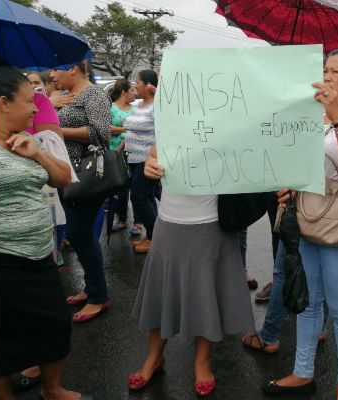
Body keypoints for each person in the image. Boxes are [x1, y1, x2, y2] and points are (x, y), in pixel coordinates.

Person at [261, 48, 338, 400]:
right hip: (306, 214)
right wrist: (290, 183)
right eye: (324, 69)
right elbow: (299, 162)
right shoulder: (310, 115)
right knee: (309, 302)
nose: (326, 76)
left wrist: (337, 119)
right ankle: (302, 372)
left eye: (336, 71)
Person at [0, 66, 90, 400]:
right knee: (1, 335)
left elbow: (64, 178)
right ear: (4, 103)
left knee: (55, 324)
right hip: (0, 259)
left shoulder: (31, 139)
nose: (37, 108)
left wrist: (37, 154)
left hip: (39, 253)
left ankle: (52, 390)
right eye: (28, 101)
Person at [128, 145, 255, 396]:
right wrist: (150, 164)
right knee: (162, 291)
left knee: (205, 295)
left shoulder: (232, 116)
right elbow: (155, 153)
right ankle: (154, 356)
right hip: (169, 219)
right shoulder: (172, 117)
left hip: (212, 222)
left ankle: (202, 360)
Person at [51, 60, 112, 322]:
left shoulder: (94, 94)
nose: (52, 75)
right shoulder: (63, 96)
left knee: (80, 235)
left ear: (74, 68)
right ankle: (91, 288)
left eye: (56, 69)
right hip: (67, 174)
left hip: (87, 177)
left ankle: (99, 296)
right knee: (79, 235)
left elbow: (102, 134)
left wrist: (56, 131)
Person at [123, 70, 158, 253]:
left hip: (147, 159)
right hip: (133, 158)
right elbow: (129, 130)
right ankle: (152, 236)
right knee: (146, 196)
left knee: (138, 196)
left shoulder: (157, 106)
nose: (135, 85)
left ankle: (155, 238)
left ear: (148, 85)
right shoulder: (139, 105)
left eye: (137, 82)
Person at [108, 79, 137, 231]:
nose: (135, 93)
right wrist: (127, 129)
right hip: (115, 152)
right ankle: (122, 219)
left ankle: (138, 223)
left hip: (134, 151)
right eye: (132, 90)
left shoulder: (135, 108)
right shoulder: (111, 108)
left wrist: (122, 128)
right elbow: (107, 128)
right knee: (120, 187)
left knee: (136, 189)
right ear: (124, 92)